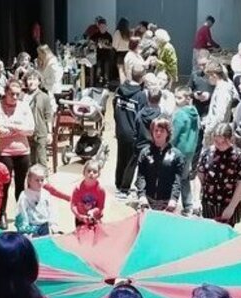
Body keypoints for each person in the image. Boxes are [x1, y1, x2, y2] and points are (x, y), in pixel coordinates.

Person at [0, 79, 35, 224]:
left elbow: (31, 129)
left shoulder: (24, 106)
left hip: (23, 150)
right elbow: (0, 130)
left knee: (20, 185)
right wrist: (20, 126)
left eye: (18, 94)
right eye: (12, 94)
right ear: (6, 92)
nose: (15, 97)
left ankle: (21, 214)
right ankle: (1, 214)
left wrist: (11, 126)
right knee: (4, 184)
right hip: (5, 151)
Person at [197, 123, 241, 225]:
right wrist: (198, 198)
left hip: (228, 203)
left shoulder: (238, 156)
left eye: (223, 142)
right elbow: (200, 175)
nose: (220, 145)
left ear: (230, 139)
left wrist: (231, 207)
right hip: (209, 202)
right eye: (217, 141)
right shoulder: (207, 153)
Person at [135, 117, 184, 212]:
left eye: (162, 131)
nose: (158, 133)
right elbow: (140, 176)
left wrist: (174, 199)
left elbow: (177, 180)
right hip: (147, 200)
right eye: (156, 130)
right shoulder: (145, 153)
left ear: (168, 133)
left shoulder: (177, 155)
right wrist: (141, 195)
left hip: (166, 202)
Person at [113, 64, 147, 197]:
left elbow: (115, 108)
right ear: (143, 77)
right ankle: (124, 188)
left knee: (121, 158)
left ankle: (118, 183)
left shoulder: (119, 90)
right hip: (132, 133)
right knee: (131, 162)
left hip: (120, 130)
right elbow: (141, 116)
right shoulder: (141, 95)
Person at [171, 87, 202, 214]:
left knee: (175, 177)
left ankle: (172, 202)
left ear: (187, 99)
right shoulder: (195, 112)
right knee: (185, 177)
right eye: (175, 97)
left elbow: (174, 134)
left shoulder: (180, 114)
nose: (176, 100)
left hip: (178, 149)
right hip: (191, 150)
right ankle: (188, 205)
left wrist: (168, 146)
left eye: (179, 98)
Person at [24, 72, 55, 168]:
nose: (31, 82)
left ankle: (44, 176)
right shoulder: (22, 96)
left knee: (41, 159)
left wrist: (49, 133)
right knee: (29, 160)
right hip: (25, 131)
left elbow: (48, 116)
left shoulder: (44, 97)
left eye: (34, 79)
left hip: (40, 132)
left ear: (39, 82)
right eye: (29, 79)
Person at [16, 164, 57, 236]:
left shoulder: (46, 194)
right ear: (29, 180)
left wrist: (53, 224)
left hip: (44, 225)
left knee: (45, 241)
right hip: (31, 226)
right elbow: (22, 212)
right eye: (37, 180)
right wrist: (24, 229)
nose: (40, 183)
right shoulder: (24, 195)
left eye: (42, 180)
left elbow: (51, 209)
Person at [69, 159, 106, 228]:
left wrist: (93, 212)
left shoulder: (101, 190)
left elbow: (100, 206)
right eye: (89, 171)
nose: (91, 173)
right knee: (81, 234)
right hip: (80, 218)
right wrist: (79, 216)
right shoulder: (78, 189)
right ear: (84, 172)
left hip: (95, 218)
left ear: (98, 174)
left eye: (95, 172)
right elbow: (73, 205)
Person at [112, 18, 132, 83]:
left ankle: (123, 86)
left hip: (120, 54)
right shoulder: (129, 33)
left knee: (121, 72)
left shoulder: (118, 32)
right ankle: (128, 85)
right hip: (128, 53)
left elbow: (114, 45)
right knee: (127, 71)